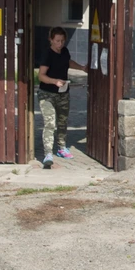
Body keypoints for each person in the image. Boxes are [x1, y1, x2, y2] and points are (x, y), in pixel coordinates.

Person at [37, 27, 88, 169]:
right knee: (50, 123)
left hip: (63, 93)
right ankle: (47, 154)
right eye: (57, 41)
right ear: (51, 40)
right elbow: (41, 75)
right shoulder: (47, 54)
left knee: (62, 121)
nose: (60, 44)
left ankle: (61, 148)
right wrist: (54, 81)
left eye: (62, 41)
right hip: (47, 94)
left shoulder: (64, 51)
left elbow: (68, 62)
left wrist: (82, 68)